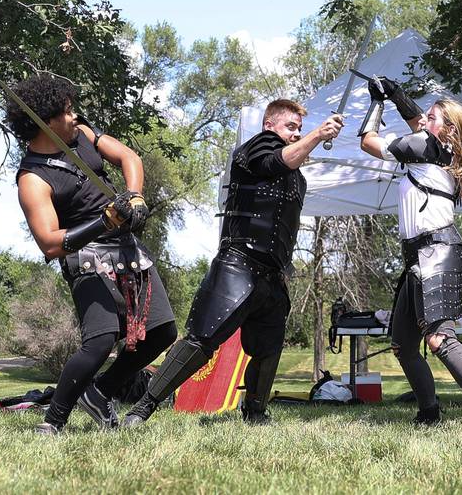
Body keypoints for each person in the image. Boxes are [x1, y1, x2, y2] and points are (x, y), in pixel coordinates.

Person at [122, 99, 343, 426]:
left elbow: (287, 170)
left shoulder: (297, 176)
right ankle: (142, 408)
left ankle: (255, 412)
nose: (297, 134)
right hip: (238, 264)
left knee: (268, 350)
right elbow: (274, 163)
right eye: (291, 127)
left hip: (272, 274)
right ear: (270, 125)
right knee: (200, 341)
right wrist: (316, 134)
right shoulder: (257, 147)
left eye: (299, 128)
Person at [6, 74, 177, 435]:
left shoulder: (81, 133)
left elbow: (128, 156)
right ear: (44, 120)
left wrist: (134, 196)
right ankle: (53, 421)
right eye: (66, 112)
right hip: (85, 257)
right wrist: (104, 221)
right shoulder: (32, 179)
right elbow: (49, 243)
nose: (74, 116)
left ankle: (101, 392)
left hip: (128, 249)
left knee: (163, 333)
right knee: (100, 340)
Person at [357, 78, 462, 435]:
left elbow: (367, 141)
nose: (423, 120)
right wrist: (395, 94)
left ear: (448, 128)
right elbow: (417, 122)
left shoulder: (428, 145)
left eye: (431, 116)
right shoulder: (443, 148)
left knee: (440, 339)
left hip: (437, 253)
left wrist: (378, 103)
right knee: (403, 345)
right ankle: (429, 412)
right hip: (420, 256)